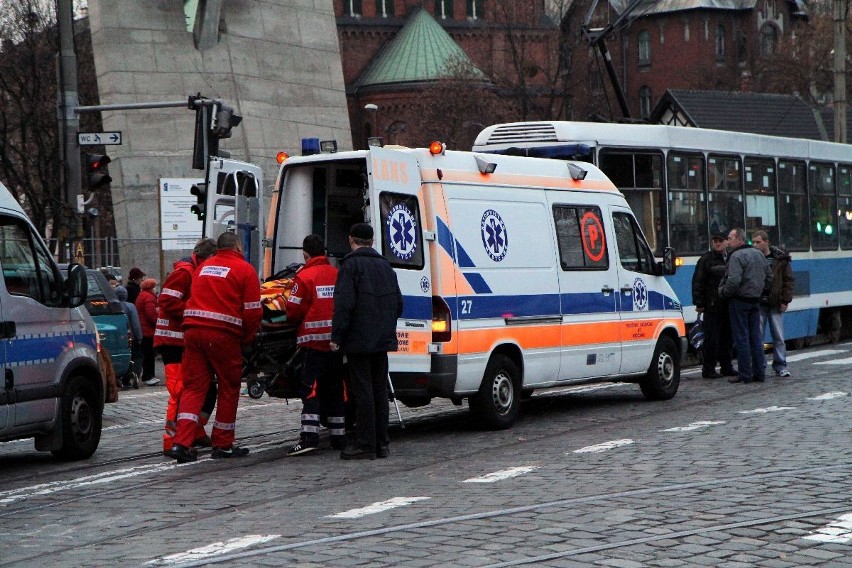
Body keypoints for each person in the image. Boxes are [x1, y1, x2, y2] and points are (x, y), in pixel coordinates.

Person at [168, 232, 262, 463]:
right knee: (228, 387)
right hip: (222, 334)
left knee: (193, 388)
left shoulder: (204, 267)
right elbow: (252, 312)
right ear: (238, 246)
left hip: (192, 332)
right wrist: (246, 339)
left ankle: (181, 443)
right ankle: (222, 444)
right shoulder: (244, 269)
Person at [330, 223, 403, 460]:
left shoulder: (350, 266)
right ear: (372, 241)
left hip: (359, 339)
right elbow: (398, 304)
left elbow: (344, 304)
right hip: (382, 339)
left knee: (362, 391)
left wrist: (337, 336)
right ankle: (382, 442)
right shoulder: (386, 267)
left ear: (351, 240)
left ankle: (365, 443)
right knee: (380, 390)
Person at [155, 237, 219, 456]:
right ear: (206, 257)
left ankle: (195, 430)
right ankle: (171, 439)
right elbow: (167, 301)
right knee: (180, 391)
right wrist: (194, 310)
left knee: (208, 389)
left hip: (184, 340)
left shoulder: (192, 271)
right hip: (173, 342)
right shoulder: (185, 273)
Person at [284, 235, 346, 456]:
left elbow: (293, 310)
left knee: (310, 388)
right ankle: (339, 435)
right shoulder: (337, 274)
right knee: (336, 387)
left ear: (305, 254)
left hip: (312, 343)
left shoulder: (303, 277)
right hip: (336, 343)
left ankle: (309, 436)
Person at [718, 228, 772, 384]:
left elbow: (733, 280)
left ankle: (745, 374)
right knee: (756, 338)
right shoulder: (759, 255)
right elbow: (769, 277)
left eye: (730, 238)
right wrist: (759, 291)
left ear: (739, 240)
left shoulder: (736, 256)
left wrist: (724, 293)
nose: (728, 242)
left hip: (739, 300)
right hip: (755, 300)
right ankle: (759, 373)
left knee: (741, 338)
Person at [691, 232, 736, 378]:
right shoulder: (706, 259)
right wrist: (699, 303)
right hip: (712, 305)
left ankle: (726, 366)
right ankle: (708, 368)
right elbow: (698, 281)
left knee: (727, 338)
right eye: (715, 241)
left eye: (720, 241)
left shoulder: (730, 257)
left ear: (726, 243)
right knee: (712, 339)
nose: (717, 243)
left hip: (727, 305)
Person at [751, 230, 794, 377]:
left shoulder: (780, 258)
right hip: (758, 302)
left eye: (758, 242)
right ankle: (759, 366)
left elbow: (788, 280)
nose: (755, 245)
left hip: (775, 302)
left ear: (766, 242)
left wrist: (785, 300)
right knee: (758, 337)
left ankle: (781, 366)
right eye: (753, 242)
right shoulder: (753, 257)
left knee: (778, 337)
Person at [115, 285, 142, 389]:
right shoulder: (130, 306)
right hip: (130, 336)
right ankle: (134, 375)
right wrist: (139, 337)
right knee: (137, 356)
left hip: (117, 337)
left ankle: (121, 378)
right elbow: (135, 323)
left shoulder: (111, 306)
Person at [135, 277, 160, 385]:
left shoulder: (143, 295)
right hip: (148, 331)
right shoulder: (149, 298)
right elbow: (151, 315)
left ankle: (148, 376)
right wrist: (158, 320)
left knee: (147, 354)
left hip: (144, 329)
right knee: (149, 354)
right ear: (151, 287)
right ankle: (148, 376)